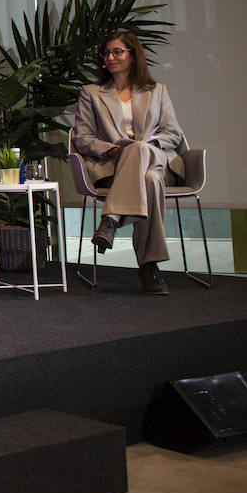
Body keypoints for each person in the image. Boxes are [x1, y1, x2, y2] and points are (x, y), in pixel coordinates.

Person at [71, 30, 185, 295]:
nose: (110, 57)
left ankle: (110, 220)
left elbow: (173, 133)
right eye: (106, 53)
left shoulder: (157, 91)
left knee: (142, 152)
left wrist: (146, 148)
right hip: (115, 165)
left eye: (117, 52)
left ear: (133, 56)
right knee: (150, 181)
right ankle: (149, 267)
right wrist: (113, 151)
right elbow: (82, 137)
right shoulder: (91, 93)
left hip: (156, 157)